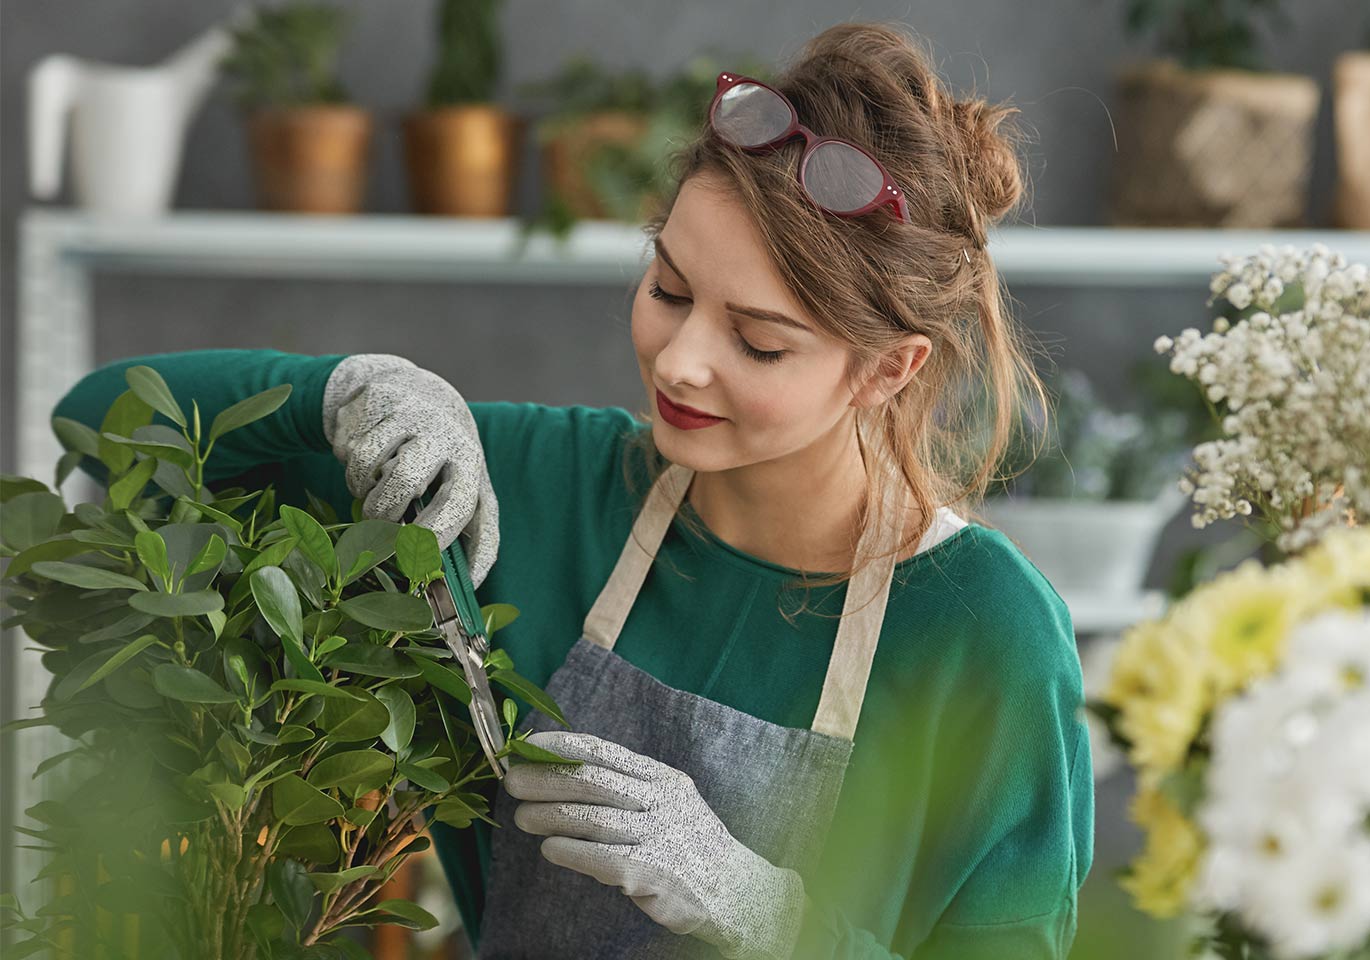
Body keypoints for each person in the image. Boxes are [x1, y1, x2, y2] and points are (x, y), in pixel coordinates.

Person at [51, 20, 1092, 960]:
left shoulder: (986, 635)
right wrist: (340, 392)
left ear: (886, 370)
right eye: (669, 289)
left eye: (759, 342)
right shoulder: (535, 486)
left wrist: (766, 915)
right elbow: (101, 422)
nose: (680, 362)